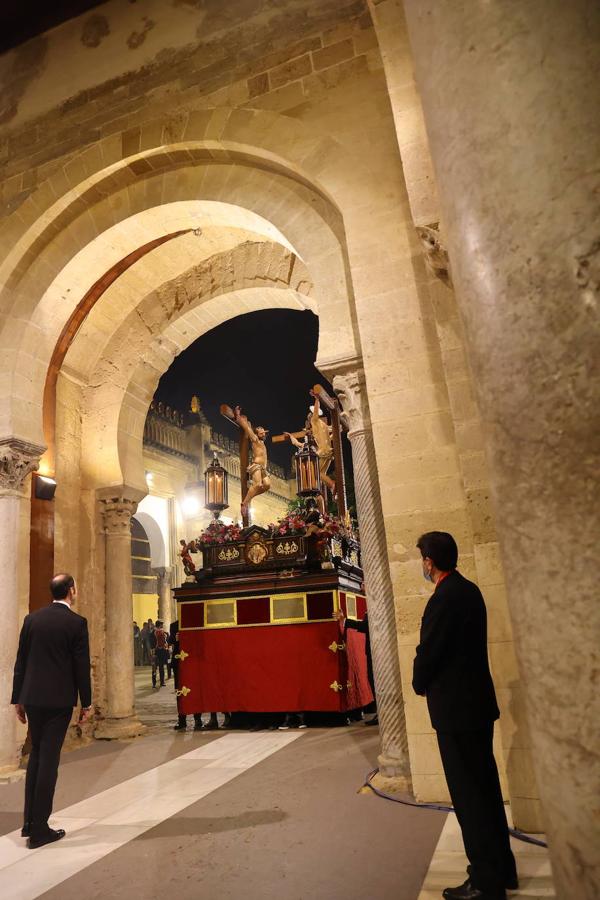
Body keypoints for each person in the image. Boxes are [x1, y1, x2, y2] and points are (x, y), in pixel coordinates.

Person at [413, 532, 517, 900]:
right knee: (486, 789)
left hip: (455, 712)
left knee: (469, 798)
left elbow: (429, 652)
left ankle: (485, 883)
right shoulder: (470, 590)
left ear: (430, 562)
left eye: (422, 559)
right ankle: (503, 870)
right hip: (476, 707)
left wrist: (418, 680)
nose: (421, 566)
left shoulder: (444, 599)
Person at [11, 573, 92, 849]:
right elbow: (81, 667)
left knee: (35, 758)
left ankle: (29, 823)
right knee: (48, 762)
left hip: (32, 698)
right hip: (58, 702)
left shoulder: (32, 619)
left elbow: (21, 661)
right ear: (71, 590)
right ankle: (40, 830)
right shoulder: (76, 623)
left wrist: (18, 699)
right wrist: (87, 702)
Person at [336, 608, 377, 725]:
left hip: (377, 652)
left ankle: (384, 714)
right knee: (372, 681)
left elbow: (366, 626)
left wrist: (344, 620)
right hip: (372, 651)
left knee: (375, 681)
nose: (363, 588)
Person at [151, 619, 169, 689]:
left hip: (161, 651)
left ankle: (162, 682)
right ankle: (154, 683)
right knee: (154, 668)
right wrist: (152, 652)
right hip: (156, 651)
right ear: (159, 624)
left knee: (161, 666)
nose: (162, 625)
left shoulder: (163, 632)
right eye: (162, 624)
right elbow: (152, 643)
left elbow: (166, 641)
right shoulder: (153, 633)